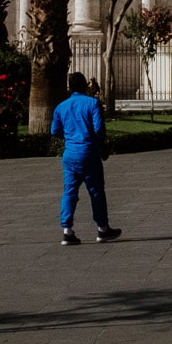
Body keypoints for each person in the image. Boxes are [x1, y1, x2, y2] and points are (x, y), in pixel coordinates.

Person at [50, 72, 121, 246]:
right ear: (85, 85)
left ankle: (67, 230)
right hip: (89, 153)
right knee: (96, 191)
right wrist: (102, 146)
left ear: (70, 87)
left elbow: (54, 130)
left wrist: (70, 136)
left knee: (69, 192)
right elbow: (99, 129)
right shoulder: (92, 103)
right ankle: (102, 228)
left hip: (70, 154)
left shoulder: (61, 107)